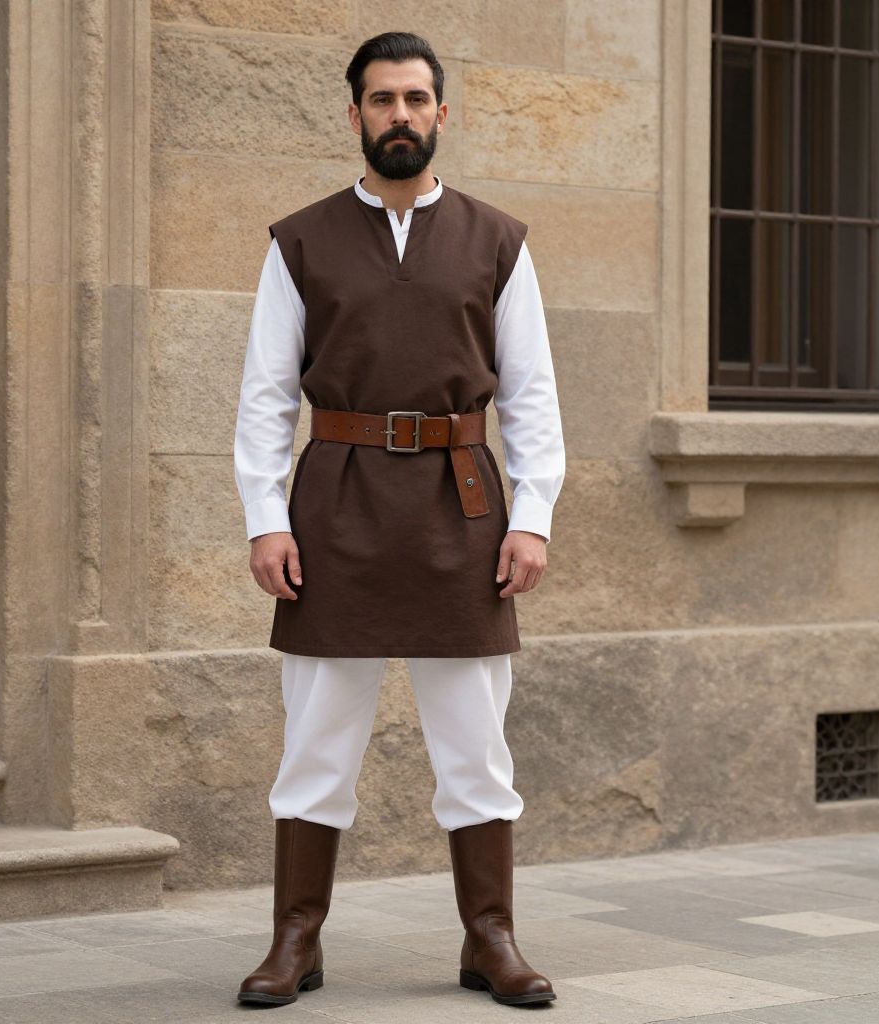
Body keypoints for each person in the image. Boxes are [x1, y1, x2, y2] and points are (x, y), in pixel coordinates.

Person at [232, 30, 565, 1009]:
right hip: (333, 506)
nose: (400, 116)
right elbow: (265, 397)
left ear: (441, 114)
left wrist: (532, 515)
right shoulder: (300, 241)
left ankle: (490, 937)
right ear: (355, 116)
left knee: (476, 747)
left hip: (462, 508)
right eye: (382, 100)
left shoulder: (497, 241)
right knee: (315, 742)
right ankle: (295, 938)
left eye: (416, 100)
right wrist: (265, 517)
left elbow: (532, 398)